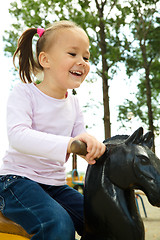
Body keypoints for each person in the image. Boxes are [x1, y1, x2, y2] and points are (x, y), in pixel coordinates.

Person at [0, 20, 106, 240]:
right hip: (16, 181)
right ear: (45, 59)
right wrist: (67, 144)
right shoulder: (25, 93)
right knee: (58, 224)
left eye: (86, 57)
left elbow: (80, 135)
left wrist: (91, 143)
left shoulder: (74, 103)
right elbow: (18, 136)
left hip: (55, 186)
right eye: (73, 54)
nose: (82, 62)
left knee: (101, 220)